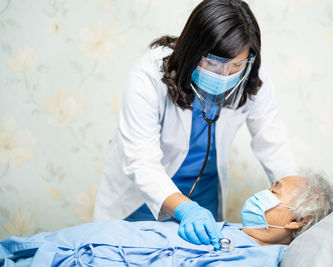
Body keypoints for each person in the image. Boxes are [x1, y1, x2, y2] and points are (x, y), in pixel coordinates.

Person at [94, 0, 297, 251]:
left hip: (204, 201)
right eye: (213, 63)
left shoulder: (252, 76)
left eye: (235, 65)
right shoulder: (148, 75)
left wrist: (298, 201)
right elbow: (141, 161)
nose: (224, 75)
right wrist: (185, 208)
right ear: (193, 51)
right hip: (143, 202)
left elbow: (271, 140)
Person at [1, 172, 333, 266]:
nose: (262, 194)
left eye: (274, 192)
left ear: (297, 220)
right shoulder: (228, 230)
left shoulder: (256, 258)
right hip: (62, 244)